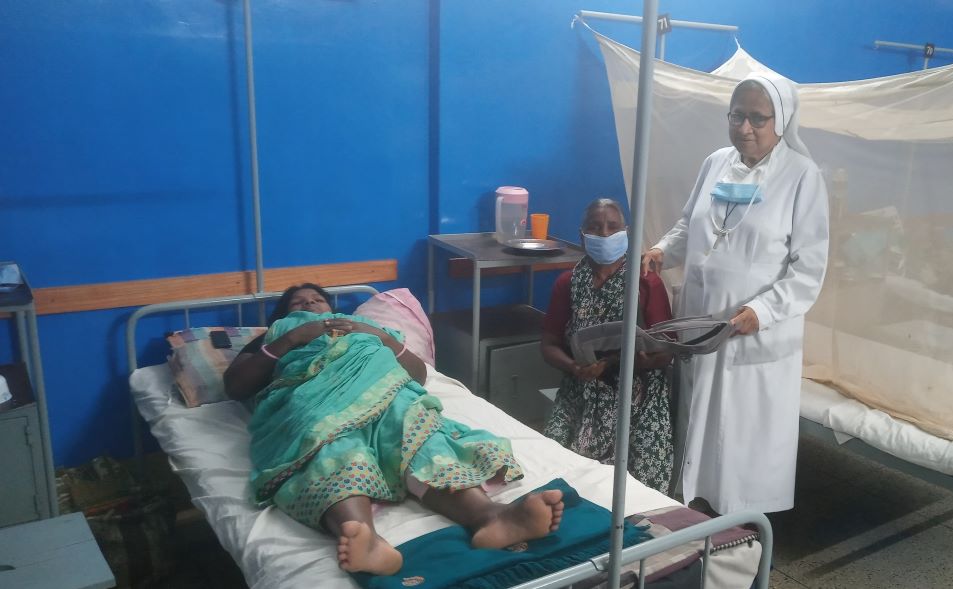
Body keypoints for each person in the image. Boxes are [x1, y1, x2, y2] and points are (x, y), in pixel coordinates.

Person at [224, 283, 564, 576]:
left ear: (332, 307)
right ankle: (364, 537)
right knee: (329, 442)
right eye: (298, 303)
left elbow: (417, 376)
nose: (310, 305)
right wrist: (291, 339)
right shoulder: (278, 334)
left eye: (317, 300)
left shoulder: (361, 325)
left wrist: (381, 337)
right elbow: (236, 385)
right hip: (315, 400)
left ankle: (490, 518)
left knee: (419, 432)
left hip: (385, 390)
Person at [640, 73, 829, 515]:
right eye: (737, 115)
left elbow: (809, 272)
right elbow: (690, 224)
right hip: (702, 320)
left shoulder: (802, 176)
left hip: (754, 331)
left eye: (758, 118)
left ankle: (740, 523)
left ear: (781, 120)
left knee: (741, 434)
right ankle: (692, 505)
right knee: (697, 418)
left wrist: (760, 311)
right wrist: (663, 250)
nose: (745, 127)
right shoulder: (716, 162)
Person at [540, 198, 675, 495]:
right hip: (582, 393)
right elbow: (548, 344)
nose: (604, 234)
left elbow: (666, 351)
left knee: (640, 488)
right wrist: (574, 367)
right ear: (582, 235)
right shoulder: (569, 282)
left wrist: (626, 361)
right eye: (595, 227)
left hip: (638, 400)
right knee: (552, 468)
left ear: (626, 232)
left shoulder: (645, 283)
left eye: (612, 227)